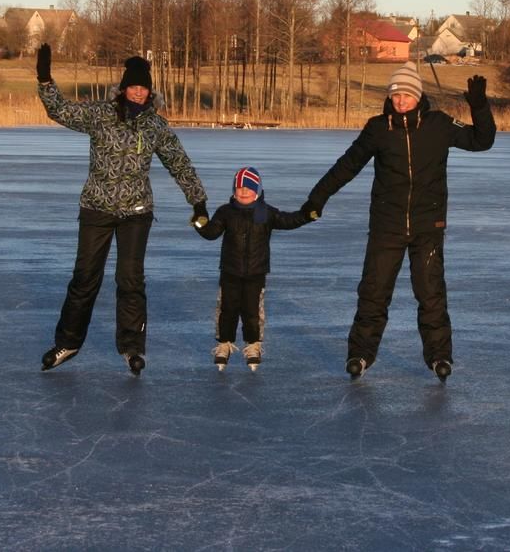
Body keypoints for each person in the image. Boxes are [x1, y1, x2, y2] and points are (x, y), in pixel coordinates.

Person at [302, 62, 494, 381]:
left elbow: (482, 140)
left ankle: (439, 357)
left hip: (427, 226)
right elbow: (347, 165)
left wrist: (479, 106)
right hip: (386, 225)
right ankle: (360, 354)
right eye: (396, 95)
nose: (401, 100)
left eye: (406, 94)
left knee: (430, 293)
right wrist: (317, 197)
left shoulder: (439, 125)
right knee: (374, 291)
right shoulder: (378, 129)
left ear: (418, 96)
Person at [35, 43, 208, 376]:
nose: (139, 92)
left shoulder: (154, 126)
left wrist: (197, 200)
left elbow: (178, 162)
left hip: (136, 212)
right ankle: (68, 343)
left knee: (130, 281)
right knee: (85, 279)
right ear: (124, 88)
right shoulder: (100, 115)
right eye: (134, 86)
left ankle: (132, 348)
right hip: (96, 208)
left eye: (144, 87)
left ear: (149, 91)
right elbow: (60, 111)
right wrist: (45, 79)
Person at [194, 166, 315, 371]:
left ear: (257, 190)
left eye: (248, 188)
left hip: (256, 272)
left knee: (252, 312)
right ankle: (224, 344)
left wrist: (306, 215)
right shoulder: (226, 211)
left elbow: (288, 220)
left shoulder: (265, 213)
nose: (243, 192)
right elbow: (211, 232)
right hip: (230, 271)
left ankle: (253, 346)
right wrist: (199, 222)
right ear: (234, 190)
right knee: (227, 309)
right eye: (240, 188)